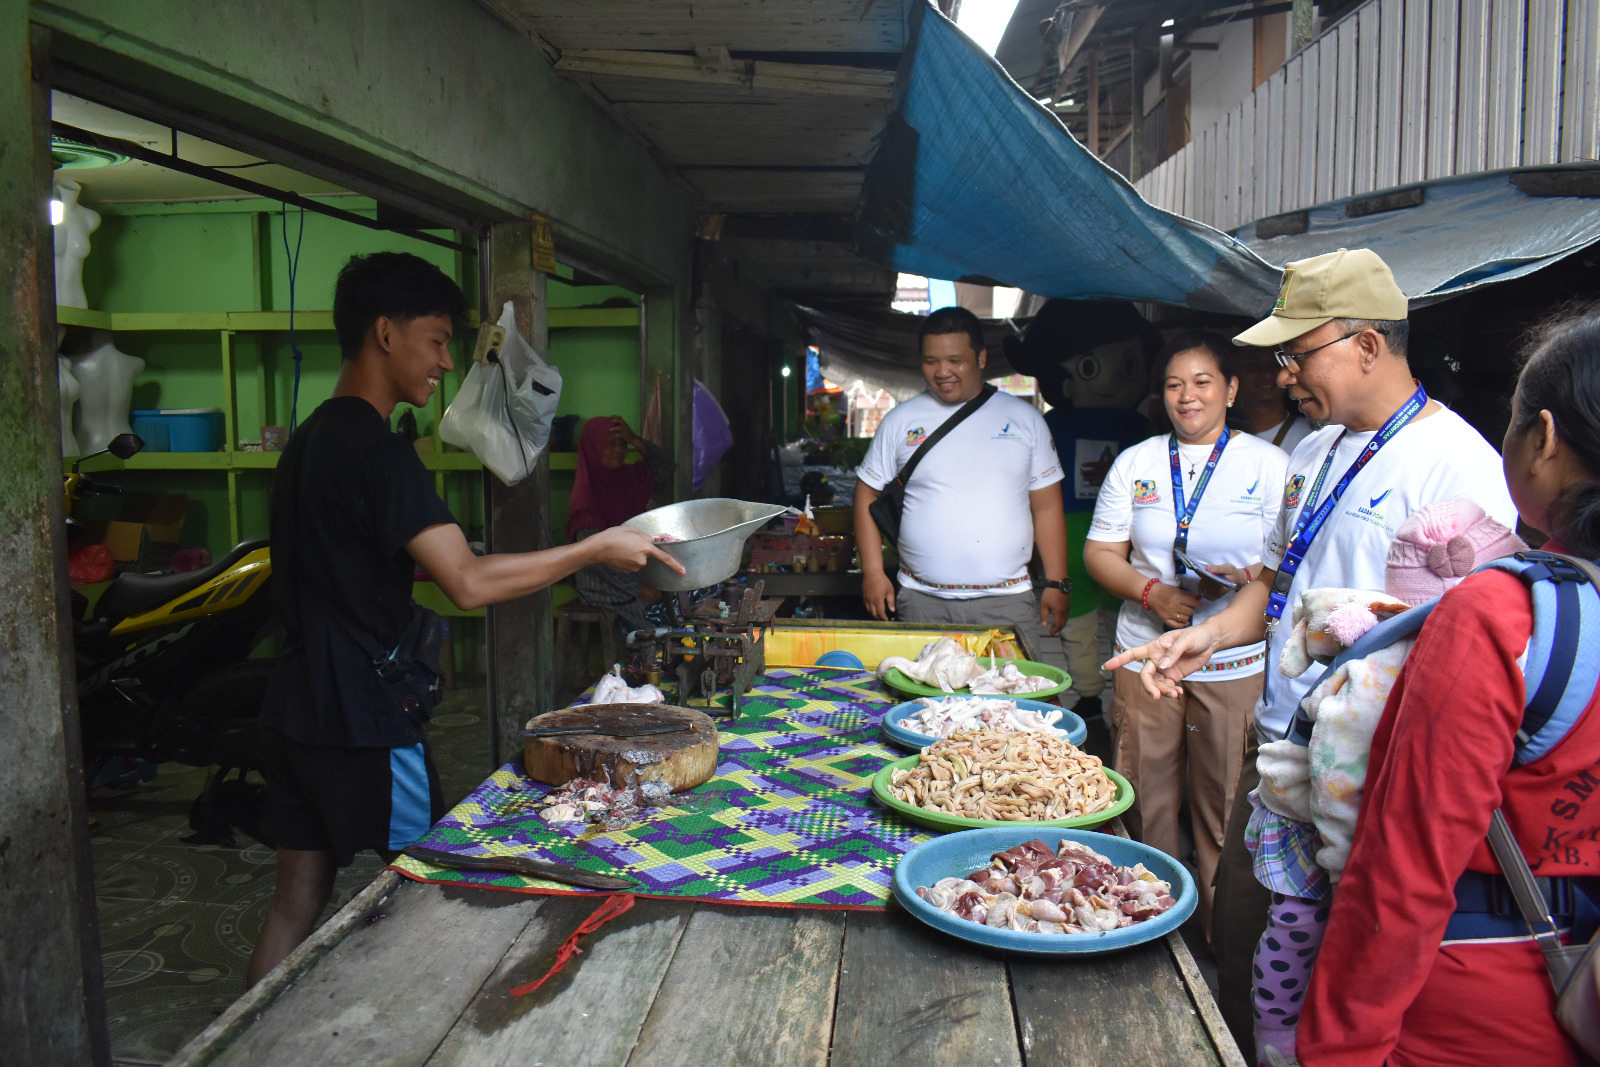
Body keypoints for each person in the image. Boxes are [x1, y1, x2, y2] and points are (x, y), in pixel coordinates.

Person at [1103, 247, 1517, 1056]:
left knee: (1331, 993)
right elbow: (1274, 581)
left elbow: (1475, 654)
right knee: (1242, 948)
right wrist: (1205, 634)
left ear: (1367, 344)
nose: (1285, 374)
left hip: (1368, 785)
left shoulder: (1460, 467)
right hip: (1279, 753)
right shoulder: (1313, 452)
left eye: (1299, 353)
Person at [249, 252, 681, 985]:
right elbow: (469, 581)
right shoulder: (379, 453)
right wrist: (592, 548)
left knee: (296, 897)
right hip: (363, 719)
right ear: (385, 334)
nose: (446, 363)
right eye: (437, 340)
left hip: (294, 707)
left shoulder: (308, 441)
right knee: (434, 888)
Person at [1299, 306, 1600, 1066]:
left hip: (1491, 1005)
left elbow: (1405, 866)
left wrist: (1342, 1047)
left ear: (1546, 438)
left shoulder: (1504, 615)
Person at [1243, 500, 1525, 1063]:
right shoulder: (1378, 678)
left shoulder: (1422, 641)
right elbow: (1335, 779)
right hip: (1315, 821)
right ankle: (1274, 1034)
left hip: (1362, 827)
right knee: (1296, 927)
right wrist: (1348, 867)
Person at [1083, 330, 1287, 928]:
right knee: (1146, 801)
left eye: (1201, 382)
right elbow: (1100, 554)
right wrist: (1153, 592)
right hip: (1146, 659)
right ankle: (1149, 928)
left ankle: (1222, 943)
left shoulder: (1271, 466)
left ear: (1229, 389)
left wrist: (1249, 576)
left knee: (1227, 809)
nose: (1187, 396)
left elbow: (1287, 564)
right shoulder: (1138, 462)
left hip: (1233, 665)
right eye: (1174, 385)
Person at [854, 306, 1070, 635]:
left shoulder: (1025, 420)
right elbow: (866, 492)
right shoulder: (901, 421)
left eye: (955, 360)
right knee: (922, 688)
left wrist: (1057, 582)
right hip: (921, 600)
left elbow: (1047, 504)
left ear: (981, 358)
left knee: (1011, 687)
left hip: (1006, 602)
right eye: (931, 361)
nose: (943, 372)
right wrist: (872, 571)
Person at [1008, 299, 1157, 719]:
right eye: (1089, 367)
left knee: (1123, 618)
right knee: (1080, 622)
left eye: (1129, 365)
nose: (1112, 378)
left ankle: (1119, 690)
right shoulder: (1050, 426)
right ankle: (1091, 693)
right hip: (1070, 539)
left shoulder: (1141, 429)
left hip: (1123, 541)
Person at [567, 414, 674, 638]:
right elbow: (597, 559)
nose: (617, 451)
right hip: (604, 584)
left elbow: (666, 467)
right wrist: (640, 588)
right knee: (655, 631)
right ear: (593, 448)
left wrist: (635, 440)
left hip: (634, 576)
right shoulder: (587, 498)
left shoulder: (629, 479)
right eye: (609, 445)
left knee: (675, 613)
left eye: (621, 444)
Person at [1233, 344, 1312, 452]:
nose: (1266, 373)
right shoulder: (1220, 436)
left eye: (1276, 364)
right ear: (1236, 372)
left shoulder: (1311, 435)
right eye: (1254, 365)